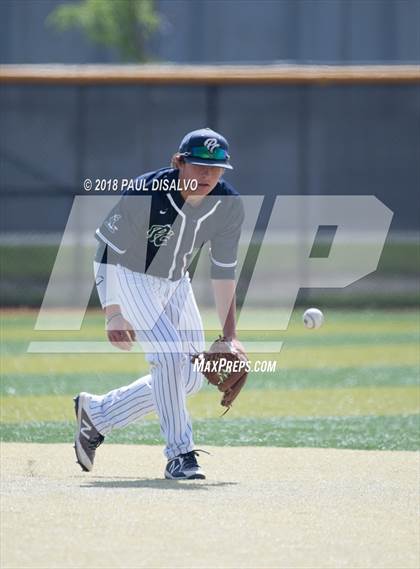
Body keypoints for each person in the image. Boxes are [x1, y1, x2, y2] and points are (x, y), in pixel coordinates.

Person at [74, 127, 246, 480]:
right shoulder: (147, 192)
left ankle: (98, 414)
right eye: (198, 166)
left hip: (176, 283)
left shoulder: (227, 205)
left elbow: (224, 271)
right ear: (178, 163)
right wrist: (113, 312)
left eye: (215, 169)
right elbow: (105, 251)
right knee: (167, 357)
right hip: (132, 276)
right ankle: (179, 455)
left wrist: (230, 336)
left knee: (191, 376)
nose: (207, 175)